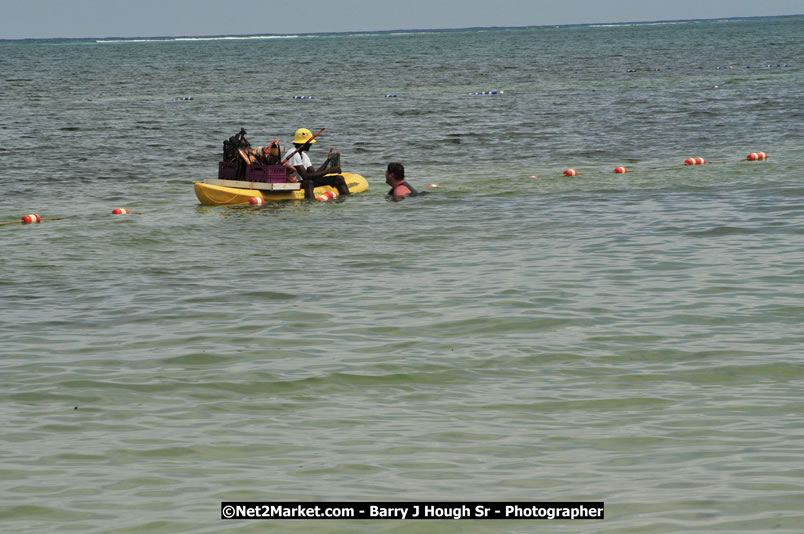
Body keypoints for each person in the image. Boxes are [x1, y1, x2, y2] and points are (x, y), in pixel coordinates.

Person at [284, 128, 350, 200]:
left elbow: (314, 174)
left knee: (339, 178)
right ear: (303, 144)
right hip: (295, 183)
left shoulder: (303, 155)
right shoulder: (294, 154)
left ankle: (346, 200)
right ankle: (310, 203)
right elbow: (306, 177)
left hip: (305, 180)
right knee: (309, 182)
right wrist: (329, 171)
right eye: (309, 143)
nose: (311, 144)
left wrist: (327, 161)